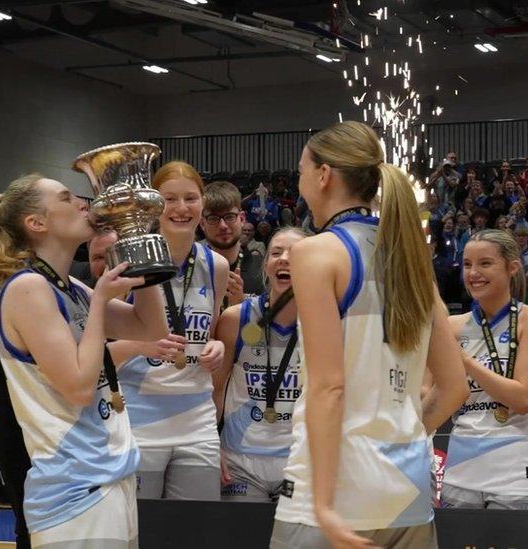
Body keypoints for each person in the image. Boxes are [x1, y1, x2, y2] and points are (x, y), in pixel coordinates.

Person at [273, 121, 468, 548]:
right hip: (407, 488)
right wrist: (404, 437)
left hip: (335, 491)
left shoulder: (315, 252)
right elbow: (454, 387)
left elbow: (329, 387)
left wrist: (324, 504)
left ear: (324, 175)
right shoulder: (411, 257)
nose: (300, 179)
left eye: (302, 169)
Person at [0, 173, 168, 546]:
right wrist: (100, 303)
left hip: (110, 476)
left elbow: (149, 328)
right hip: (74, 490)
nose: (83, 202)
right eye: (67, 198)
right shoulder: (27, 288)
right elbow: (79, 388)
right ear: (37, 223)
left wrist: (139, 246)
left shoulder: (72, 286)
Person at [112, 161, 229, 501]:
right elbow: (100, 347)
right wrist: (139, 345)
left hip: (197, 421)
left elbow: (207, 334)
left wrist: (217, 348)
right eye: (169, 199)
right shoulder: (126, 260)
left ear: (203, 203)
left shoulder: (217, 267)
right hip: (138, 419)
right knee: (143, 531)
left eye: (191, 198)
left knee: (197, 531)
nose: (181, 208)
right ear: (153, 205)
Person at [442, 229, 528, 510]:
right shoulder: (451, 326)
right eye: (467, 264)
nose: (474, 273)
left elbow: (524, 399)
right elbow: (432, 395)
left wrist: (465, 361)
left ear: (513, 267)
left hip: (517, 469)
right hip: (462, 470)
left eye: (485, 263)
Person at [214, 228, 305, 502]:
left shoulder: (327, 324)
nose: (284, 259)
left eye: (296, 254)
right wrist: (212, 445)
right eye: (276, 253)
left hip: (298, 462)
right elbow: (215, 389)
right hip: (240, 462)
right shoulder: (235, 319)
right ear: (266, 266)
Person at [200, 181, 265, 308]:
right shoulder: (193, 270)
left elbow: (268, 325)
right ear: (202, 224)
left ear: (242, 219)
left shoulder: (263, 269)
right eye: (213, 218)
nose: (223, 226)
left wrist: (243, 305)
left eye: (230, 217)